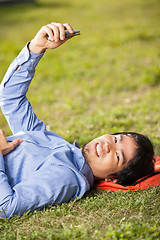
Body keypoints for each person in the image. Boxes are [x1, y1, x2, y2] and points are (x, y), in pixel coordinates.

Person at [0, 22, 155, 218]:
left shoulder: (66, 177)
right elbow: (12, 100)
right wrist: (36, 48)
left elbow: (7, 207)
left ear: (112, 179)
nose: (109, 145)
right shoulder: (55, 143)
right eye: (116, 139)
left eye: (117, 156)